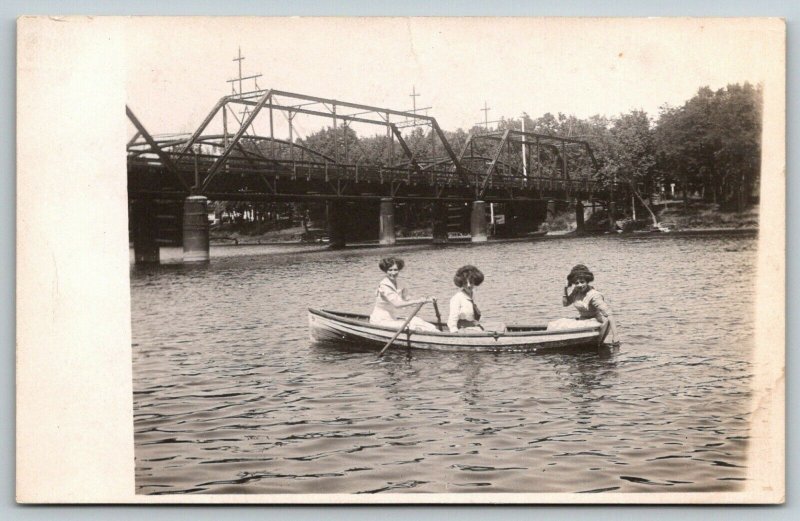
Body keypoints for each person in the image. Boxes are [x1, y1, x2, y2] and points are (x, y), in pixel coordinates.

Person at [549, 264, 619, 345]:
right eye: (577, 283)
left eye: (582, 282)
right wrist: (565, 289)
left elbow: (609, 314)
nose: (580, 285)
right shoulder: (576, 291)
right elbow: (566, 304)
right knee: (555, 324)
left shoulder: (594, 295)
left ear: (587, 281)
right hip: (582, 321)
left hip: (594, 322)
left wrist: (615, 336)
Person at [369, 257, 438, 332]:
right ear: (385, 271)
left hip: (393, 318)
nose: (393, 273)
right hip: (380, 320)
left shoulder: (401, 283)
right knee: (412, 326)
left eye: (395, 270)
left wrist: (427, 300)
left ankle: (439, 337)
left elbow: (408, 299)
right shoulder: (384, 285)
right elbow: (397, 304)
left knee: (426, 324)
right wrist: (417, 301)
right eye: (390, 270)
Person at [447, 265, 485, 333]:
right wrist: (454, 333)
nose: (468, 285)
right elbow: (452, 319)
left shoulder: (474, 296)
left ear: (475, 281)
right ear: (461, 283)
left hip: (474, 326)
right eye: (465, 283)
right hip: (463, 329)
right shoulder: (457, 298)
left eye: (471, 282)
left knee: (501, 326)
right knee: (481, 331)